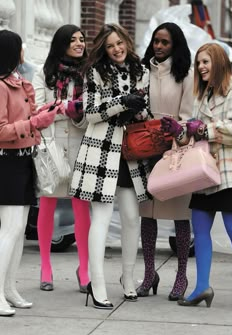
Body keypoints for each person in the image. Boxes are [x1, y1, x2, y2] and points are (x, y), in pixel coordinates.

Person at [70, 23, 150, 309]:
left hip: (130, 152)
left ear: (127, 42)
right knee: (101, 219)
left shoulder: (141, 70)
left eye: (119, 43)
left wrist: (138, 105)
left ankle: (127, 279)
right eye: (110, 46)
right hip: (101, 151)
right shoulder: (94, 71)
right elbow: (91, 112)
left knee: (131, 217)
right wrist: (120, 102)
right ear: (103, 49)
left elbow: (144, 111)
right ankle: (97, 282)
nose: (116, 49)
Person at [161, 43, 232, 309]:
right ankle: (202, 287)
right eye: (199, 63)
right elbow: (193, 134)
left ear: (218, 61)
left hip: (229, 172)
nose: (201, 67)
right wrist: (178, 132)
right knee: (200, 230)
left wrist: (206, 129)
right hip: (204, 173)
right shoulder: (204, 95)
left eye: (206, 62)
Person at [0, 29, 62, 316]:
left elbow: (29, 119)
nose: (24, 54)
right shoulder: (1, 87)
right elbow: (1, 131)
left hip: (24, 161)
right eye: (20, 48)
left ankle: (9, 289)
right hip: (7, 163)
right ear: (12, 52)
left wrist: (47, 112)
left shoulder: (18, 83)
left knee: (19, 231)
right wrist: (35, 121)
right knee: (9, 231)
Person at [137, 22, 193, 300]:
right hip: (145, 150)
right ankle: (149, 274)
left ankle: (181, 275)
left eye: (165, 43)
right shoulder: (142, 71)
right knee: (147, 216)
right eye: (156, 41)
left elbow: (189, 116)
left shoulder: (186, 75)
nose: (158, 47)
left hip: (175, 154)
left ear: (175, 45)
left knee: (180, 217)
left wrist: (175, 134)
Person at [33, 24, 91, 292]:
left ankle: (85, 268)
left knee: (82, 208)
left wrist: (73, 112)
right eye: (73, 40)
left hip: (80, 145)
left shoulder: (89, 75)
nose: (79, 44)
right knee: (47, 204)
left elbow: (89, 111)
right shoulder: (44, 73)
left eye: (82, 40)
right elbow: (36, 111)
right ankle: (46, 266)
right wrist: (64, 109)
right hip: (52, 148)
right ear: (61, 43)